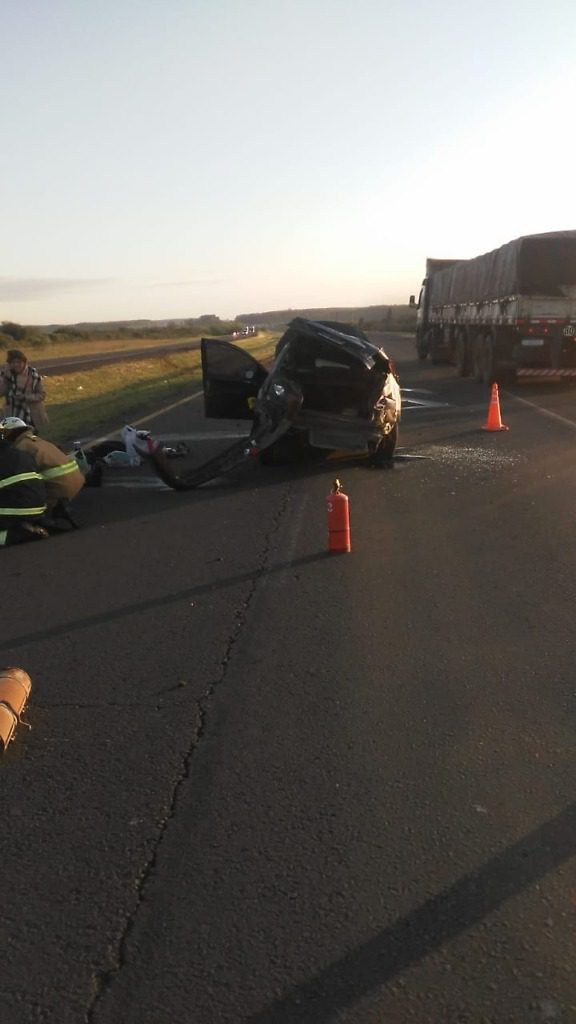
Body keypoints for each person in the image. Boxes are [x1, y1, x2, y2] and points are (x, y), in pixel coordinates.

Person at [0, 417, 84, 525]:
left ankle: (49, 514)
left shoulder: (20, 448)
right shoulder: (38, 441)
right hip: (76, 483)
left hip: (60, 491)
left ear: (8, 433)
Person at [0, 437, 48, 546]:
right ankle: (23, 525)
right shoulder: (20, 453)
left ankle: (18, 534)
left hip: (14, 511)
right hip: (39, 508)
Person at [0, 349, 48, 432]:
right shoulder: (7, 376)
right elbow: (2, 391)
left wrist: (26, 397)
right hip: (13, 415)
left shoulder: (33, 376)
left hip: (32, 416)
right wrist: (4, 378)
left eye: (18, 362)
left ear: (24, 362)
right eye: (13, 362)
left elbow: (42, 395)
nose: (16, 365)